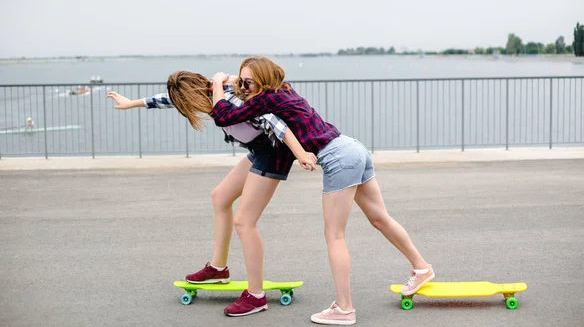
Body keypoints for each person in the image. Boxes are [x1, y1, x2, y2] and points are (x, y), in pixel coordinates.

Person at [209, 57, 434, 326]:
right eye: (241, 80)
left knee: (335, 236)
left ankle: (344, 308)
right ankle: (422, 268)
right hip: (352, 147)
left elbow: (222, 116)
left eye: (248, 82)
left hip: (338, 158)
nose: (243, 87)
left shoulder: (266, 99)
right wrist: (233, 80)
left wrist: (216, 85)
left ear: (263, 81)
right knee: (379, 218)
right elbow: (250, 86)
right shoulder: (284, 89)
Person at [107, 71, 316, 317]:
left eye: (186, 103)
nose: (189, 109)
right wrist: (132, 103)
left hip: (273, 153)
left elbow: (273, 121)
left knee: (244, 222)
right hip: (259, 151)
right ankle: (218, 269)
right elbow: (168, 99)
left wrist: (301, 153)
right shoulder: (204, 96)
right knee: (220, 196)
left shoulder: (231, 98)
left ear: (195, 94)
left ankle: (256, 296)